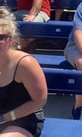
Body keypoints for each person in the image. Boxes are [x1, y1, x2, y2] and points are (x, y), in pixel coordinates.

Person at [0, 7, 47, 136]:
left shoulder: (25, 63)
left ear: (10, 39)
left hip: (23, 120)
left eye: (0, 37)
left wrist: (4, 118)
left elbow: (39, 101)